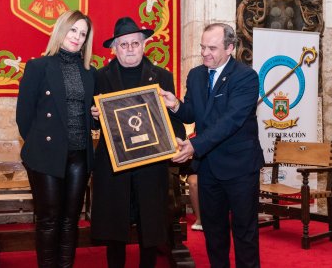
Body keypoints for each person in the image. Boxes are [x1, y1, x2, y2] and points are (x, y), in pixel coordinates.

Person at [160, 23, 264, 267]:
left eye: (212, 48)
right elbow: (193, 114)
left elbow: (231, 121)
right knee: (214, 233)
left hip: (240, 168)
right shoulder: (196, 75)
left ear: (229, 48)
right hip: (208, 168)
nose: (205, 53)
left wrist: (195, 145)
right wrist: (175, 105)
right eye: (202, 47)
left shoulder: (246, 77)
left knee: (244, 232)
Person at [90, 17, 185, 268]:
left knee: (150, 226)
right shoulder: (100, 77)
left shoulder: (162, 76)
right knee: (114, 226)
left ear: (144, 45)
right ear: (115, 48)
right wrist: (93, 116)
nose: (130, 48)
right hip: (113, 165)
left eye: (135, 43)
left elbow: (171, 118)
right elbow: (91, 122)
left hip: (151, 164)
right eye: (124, 44)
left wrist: (177, 139)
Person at [16, 10, 95, 267]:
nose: (77, 37)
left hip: (79, 155)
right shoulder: (38, 66)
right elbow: (24, 117)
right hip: (46, 154)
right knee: (49, 219)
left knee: (71, 219)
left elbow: (91, 119)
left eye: (83, 34)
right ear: (62, 29)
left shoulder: (89, 72)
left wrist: (95, 116)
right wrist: (40, 146)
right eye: (73, 30)